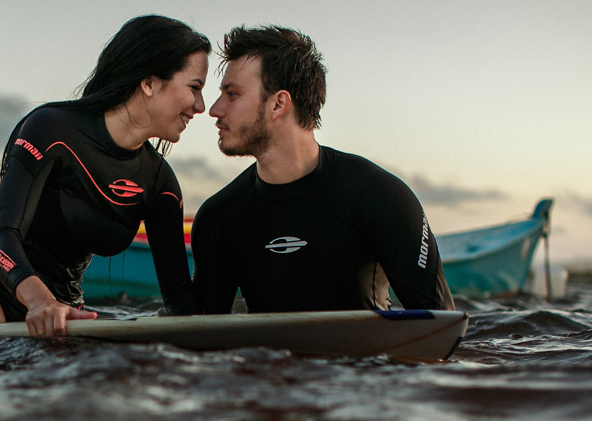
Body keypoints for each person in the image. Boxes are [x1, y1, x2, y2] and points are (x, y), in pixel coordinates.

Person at [0, 16, 210, 354]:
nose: (201, 106)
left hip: (61, 314)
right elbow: (1, 236)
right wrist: (39, 302)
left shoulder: (160, 183)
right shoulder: (52, 130)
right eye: (194, 88)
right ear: (149, 82)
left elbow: (178, 296)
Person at [191, 26, 454, 315]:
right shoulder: (218, 218)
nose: (214, 109)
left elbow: (441, 325)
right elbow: (202, 336)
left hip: (365, 347)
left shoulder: (379, 197)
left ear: (279, 104)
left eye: (232, 94)